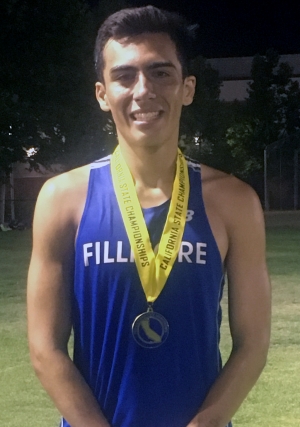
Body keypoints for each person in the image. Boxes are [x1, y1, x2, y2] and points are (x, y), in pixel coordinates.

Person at [27, 6, 271, 427]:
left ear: (187, 87)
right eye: (124, 76)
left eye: (161, 73)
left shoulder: (234, 202)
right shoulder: (62, 199)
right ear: (102, 94)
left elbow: (254, 343)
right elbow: (44, 347)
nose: (144, 91)